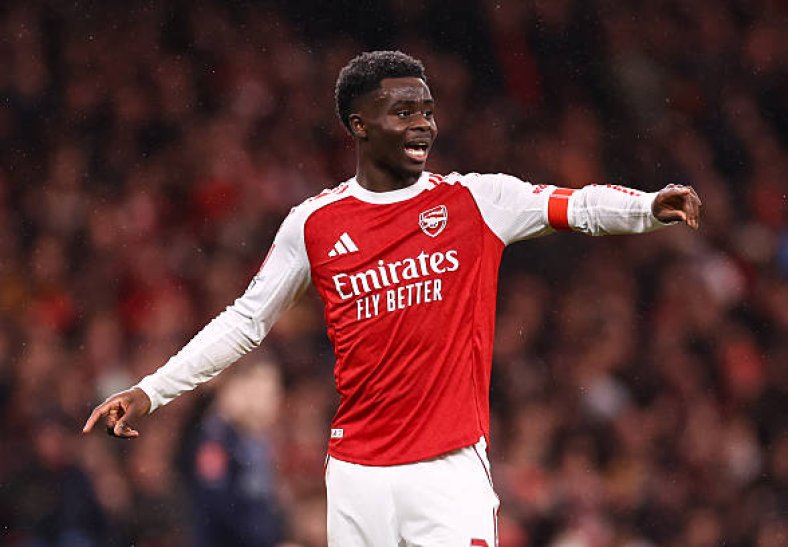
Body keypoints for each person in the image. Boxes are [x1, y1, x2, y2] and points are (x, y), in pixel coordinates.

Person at [84, 50, 701, 546]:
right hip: (358, 478)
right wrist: (150, 391)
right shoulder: (314, 223)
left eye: (427, 111)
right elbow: (246, 320)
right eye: (403, 112)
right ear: (359, 125)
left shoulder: (477, 201)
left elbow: (576, 205)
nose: (423, 124)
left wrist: (649, 207)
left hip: (449, 472)